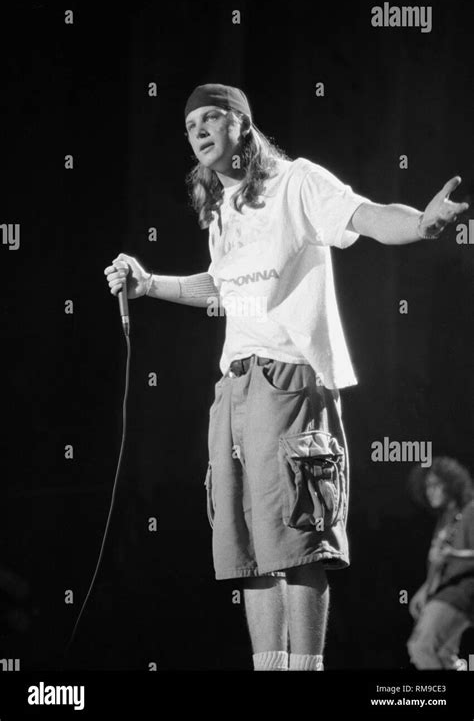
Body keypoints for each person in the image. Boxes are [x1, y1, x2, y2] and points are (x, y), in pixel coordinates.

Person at [104, 83, 468, 671]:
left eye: (211, 118)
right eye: (190, 122)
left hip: (291, 381)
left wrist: (422, 223)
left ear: (242, 126)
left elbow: (366, 215)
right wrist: (151, 286)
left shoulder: (296, 182)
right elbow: (221, 289)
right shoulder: (221, 210)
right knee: (247, 548)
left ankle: (307, 669)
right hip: (236, 388)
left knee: (300, 540)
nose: (197, 130)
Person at [407, 457, 474, 669]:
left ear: (452, 484)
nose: (430, 491)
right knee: (444, 655)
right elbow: (440, 563)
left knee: (421, 647)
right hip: (444, 591)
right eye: (427, 487)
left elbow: (450, 556)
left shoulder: (471, 511)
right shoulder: (445, 519)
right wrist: (424, 589)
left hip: (460, 592)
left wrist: (452, 554)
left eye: (436, 485)